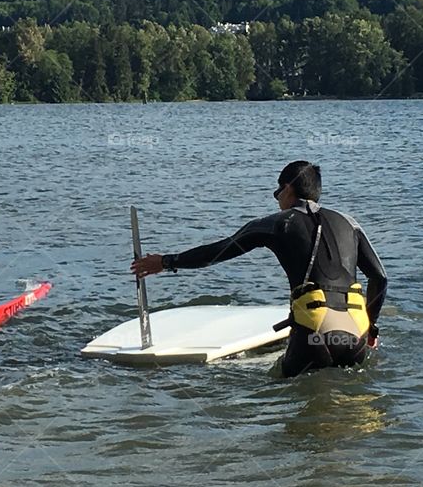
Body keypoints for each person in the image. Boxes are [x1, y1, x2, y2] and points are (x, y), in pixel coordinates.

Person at [131, 161, 387, 377]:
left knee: (283, 395)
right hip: (357, 327)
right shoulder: (349, 223)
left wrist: (166, 261)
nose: (277, 200)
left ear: (287, 188)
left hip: (316, 324)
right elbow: (380, 278)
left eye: (278, 192)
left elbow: (219, 251)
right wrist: (371, 326)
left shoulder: (278, 223)